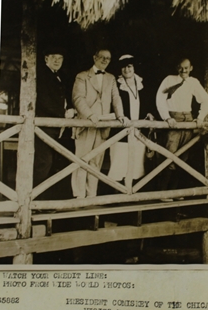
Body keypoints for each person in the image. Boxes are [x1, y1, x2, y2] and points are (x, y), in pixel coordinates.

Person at [71, 48, 128, 199]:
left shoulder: (110, 78)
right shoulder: (82, 76)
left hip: (103, 125)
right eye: (101, 57)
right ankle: (79, 196)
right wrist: (90, 115)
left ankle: (91, 196)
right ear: (94, 57)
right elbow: (78, 99)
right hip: (86, 124)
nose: (104, 60)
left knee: (96, 161)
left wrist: (120, 115)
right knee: (82, 160)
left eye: (108, 58)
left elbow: (116, 98)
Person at [155, 58, 208, 192]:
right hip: (174, 119)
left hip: (188, 119)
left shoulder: (193, 82)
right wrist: (167, 117)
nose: (183, 70)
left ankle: (174, 191)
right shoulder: (169, 80)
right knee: (170, 155)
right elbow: (159, 99)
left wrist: (200, 118)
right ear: (176, 67)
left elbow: (205, 100)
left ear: (191, 68)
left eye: (186, 68)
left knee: (183, 157)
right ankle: (163, 192)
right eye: (181, 67)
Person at [34, 46, 75, 198]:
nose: (57, 61)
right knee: (43, 163)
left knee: (51, 163)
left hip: (56, 127)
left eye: (60, 58)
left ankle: (45, 199)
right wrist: (62, 113)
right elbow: (43, 100)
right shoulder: (42, 75)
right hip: (44, 126)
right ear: (46, 59)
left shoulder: (59, 76)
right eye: (54, 58)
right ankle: (36, 200)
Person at [108, 55, 154, 183]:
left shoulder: (141, 83)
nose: (126, 69)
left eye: (129, 66)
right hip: (121, 130)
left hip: (138, 131)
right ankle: (116, 195)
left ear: (134, 67)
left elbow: (147, 103)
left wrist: (149, 113)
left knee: (136, 165)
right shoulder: (116, 84)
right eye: (123, 67)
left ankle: (131, 194)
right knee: (119, 163)